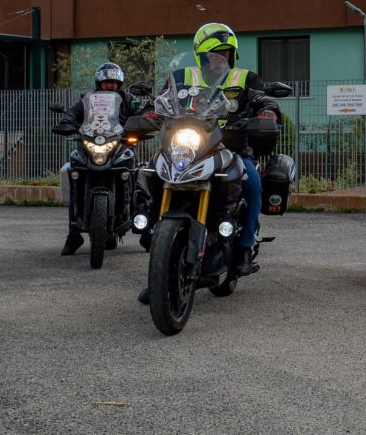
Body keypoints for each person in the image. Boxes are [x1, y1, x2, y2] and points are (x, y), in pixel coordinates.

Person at [136, 23, 280, 303]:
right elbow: (160, 101)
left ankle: (245, 247)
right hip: (185, 148)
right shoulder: (182, 77)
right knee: (149, 172)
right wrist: (149, 114)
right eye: (213, 54)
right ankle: (153, 244)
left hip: (231, 147)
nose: (219, 59)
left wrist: (267, 113)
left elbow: (263, 100)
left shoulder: (245, 78)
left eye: (224, 54)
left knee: (251, 182)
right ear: (201, 56)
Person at [57, 62, 143, 256]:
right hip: (91, 144)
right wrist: (67, 122)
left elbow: (140, 113)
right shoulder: (87, 99)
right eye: (106, 82)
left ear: (119, 83)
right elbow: (72, 112)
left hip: (119, 146)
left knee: (138, 176)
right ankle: (74, 233)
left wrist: (144, 120)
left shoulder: (128, 99)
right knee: (75, 174)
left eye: (114, 82)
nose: (110, 85)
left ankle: (147, 230)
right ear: (99, 83)